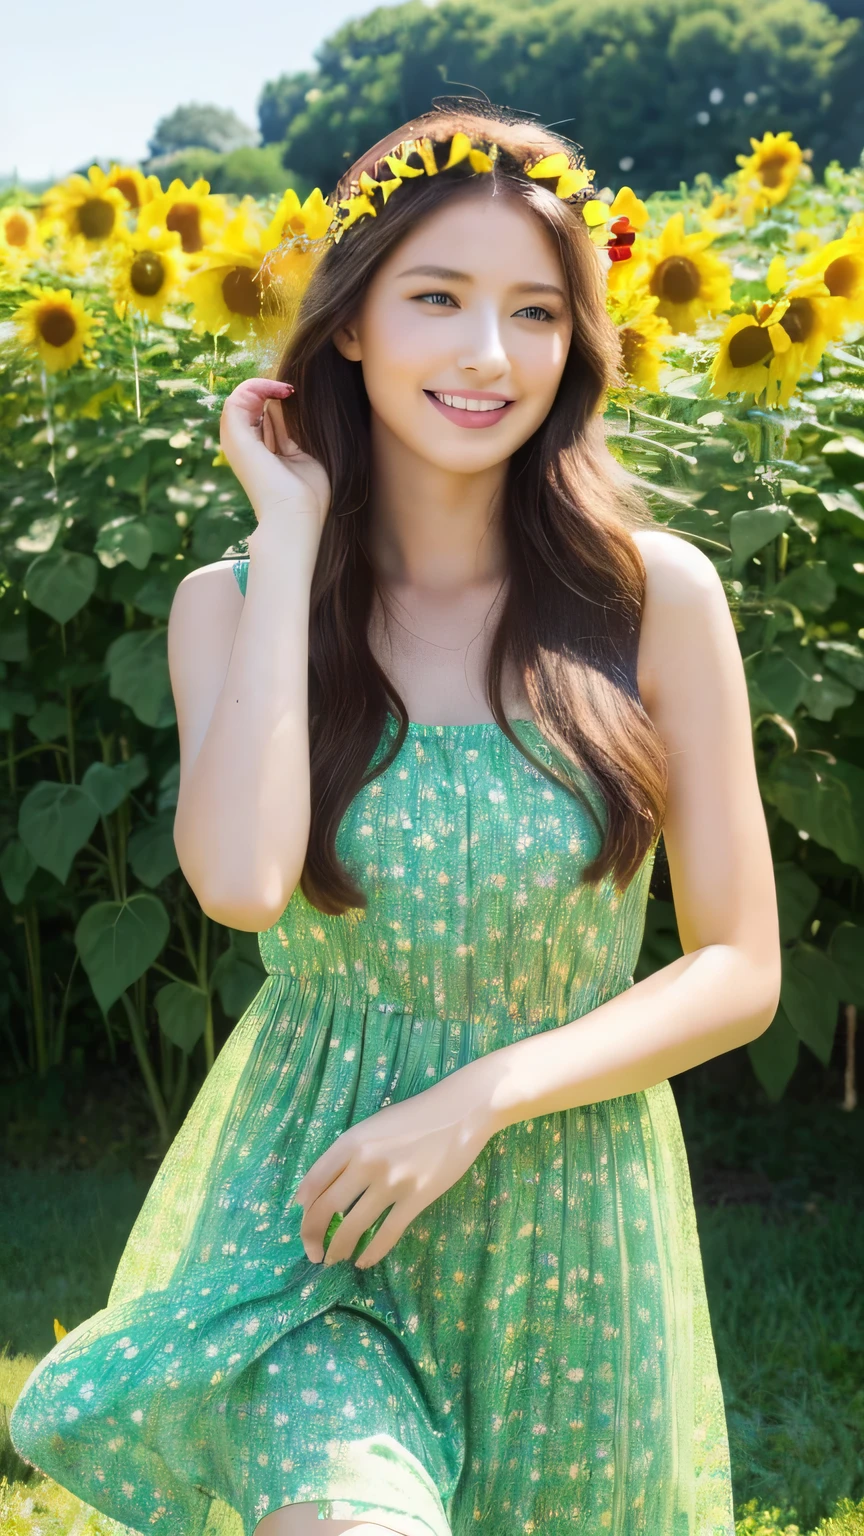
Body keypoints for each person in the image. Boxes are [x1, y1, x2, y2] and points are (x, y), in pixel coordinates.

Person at [10, 101, 781, 1536]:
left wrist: (479, 1096)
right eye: (438, 298)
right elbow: (241, 885)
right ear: (352, 323)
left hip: (569, 1213)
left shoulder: (654, 599)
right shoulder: (229, 610)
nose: (490, 355)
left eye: (536, 311)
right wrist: (288, 542)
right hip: (315, 1225)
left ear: (578, 344)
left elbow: (740, 968)